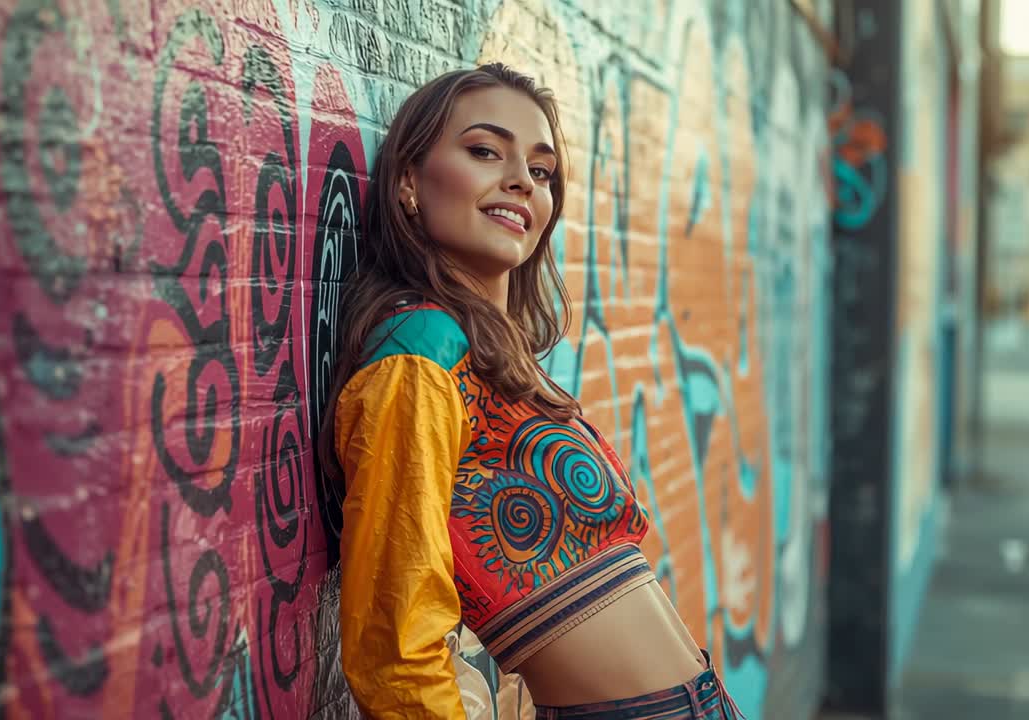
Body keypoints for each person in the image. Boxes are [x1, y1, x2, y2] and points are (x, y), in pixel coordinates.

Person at [318, 63, 745, 719]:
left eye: (542, 171)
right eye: (485, 151)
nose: (521, 180)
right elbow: (395, 641)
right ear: (407, 182)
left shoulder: (491, 354)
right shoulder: (419, 357)